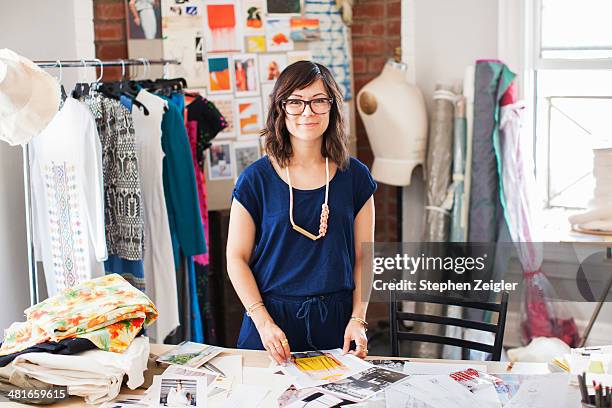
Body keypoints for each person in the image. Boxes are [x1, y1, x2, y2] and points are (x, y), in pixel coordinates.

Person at [226, 61, 376, 365]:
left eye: (319, 101)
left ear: (332, 107)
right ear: (281, 108)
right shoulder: (255, 179)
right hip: (270, 323)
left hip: (337, 323)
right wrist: (263, 322)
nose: (307, 112)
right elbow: (236, 258)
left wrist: (358, 319)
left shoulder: (356, 177)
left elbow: (366, 256)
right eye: (295, 101)